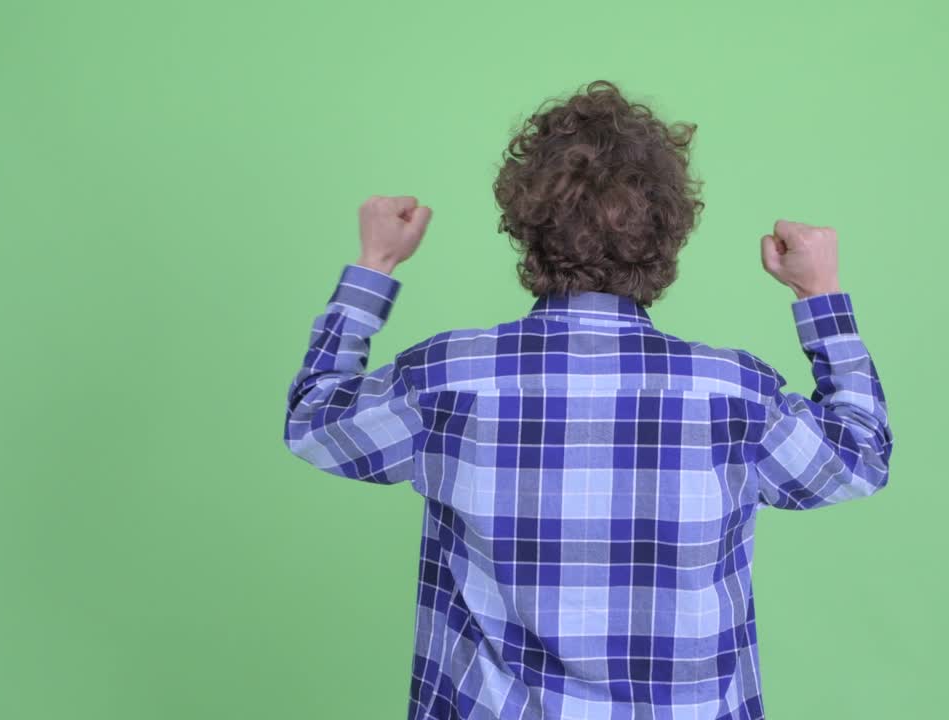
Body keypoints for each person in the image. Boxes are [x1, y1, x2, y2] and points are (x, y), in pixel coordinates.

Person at [283, 79, 894, 720]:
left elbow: (316, 418)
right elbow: (860, 456)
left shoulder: (449, 379)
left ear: (525, 226)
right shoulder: (733, 396)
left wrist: (374, 262)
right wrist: (819, 293)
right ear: (669, 233)